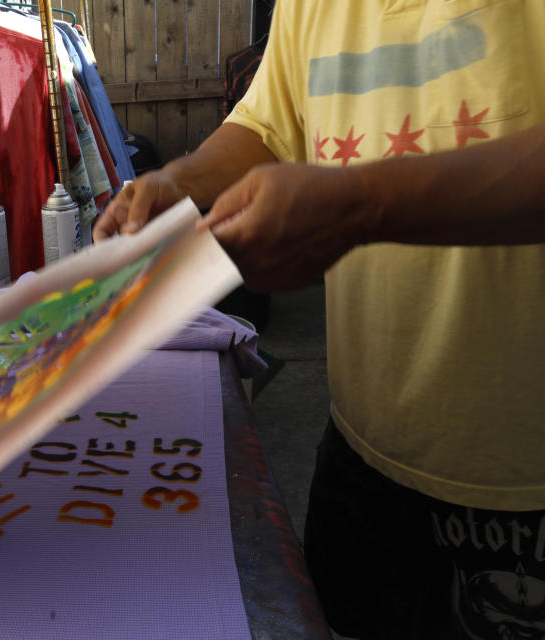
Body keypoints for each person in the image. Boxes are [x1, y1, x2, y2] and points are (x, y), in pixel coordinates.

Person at [95, 2, 545, 638]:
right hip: (364, 443)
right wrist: (179, 182)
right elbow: (268, 127)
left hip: (523, 481)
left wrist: (366, 204)